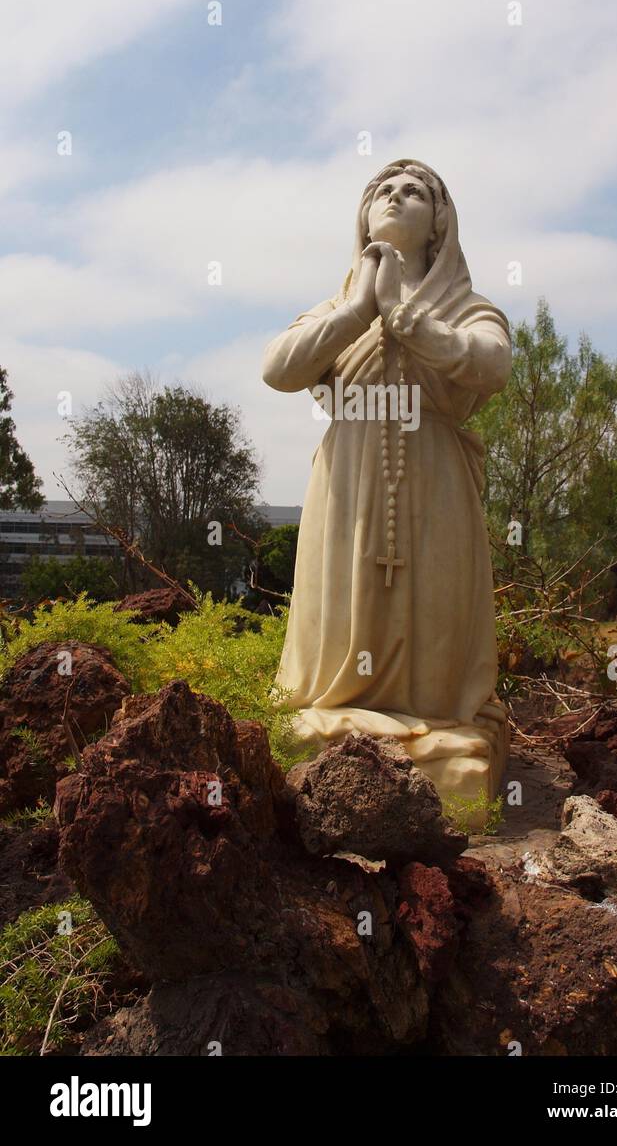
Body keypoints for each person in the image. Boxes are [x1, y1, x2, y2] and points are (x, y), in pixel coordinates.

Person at [262, 159, 512, 815]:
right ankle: (338, 713)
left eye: (415, 193)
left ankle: (436, 718)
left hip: (433, 471)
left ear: (439, 225)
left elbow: (491, 363)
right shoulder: (339, 305)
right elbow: (279, 369)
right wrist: (359, 311)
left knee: (435, 600)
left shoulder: (466, 306)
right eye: (383, 191)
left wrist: (408, 318)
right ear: (364, 215)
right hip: (349, 470)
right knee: (339, 600)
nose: (397, 198)